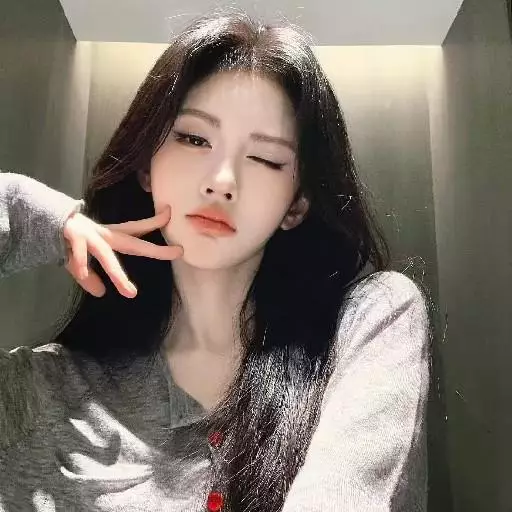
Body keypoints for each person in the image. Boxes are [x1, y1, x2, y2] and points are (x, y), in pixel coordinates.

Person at [0, 10, 430, 512]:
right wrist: (34, 218)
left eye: (266, 158)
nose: (222, 181)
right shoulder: (40, 394)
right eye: (193, 138)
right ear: (146, 164)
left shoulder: (367, 325)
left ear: (296, 204)